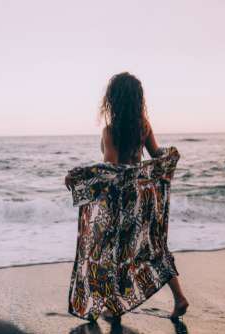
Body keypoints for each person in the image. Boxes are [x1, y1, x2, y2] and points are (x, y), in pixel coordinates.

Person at [65, 72, 189, 320]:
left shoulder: (110, 131)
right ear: (137, 99)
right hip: (143, 198)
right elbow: (155, 155)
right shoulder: (143, 126)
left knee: (109, 252)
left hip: (119, 202)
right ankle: (179, 297)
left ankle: (114, 307)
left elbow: (111, 169)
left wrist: (79, 176)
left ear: (113, 99)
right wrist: (169, 155)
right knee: (154, 248)